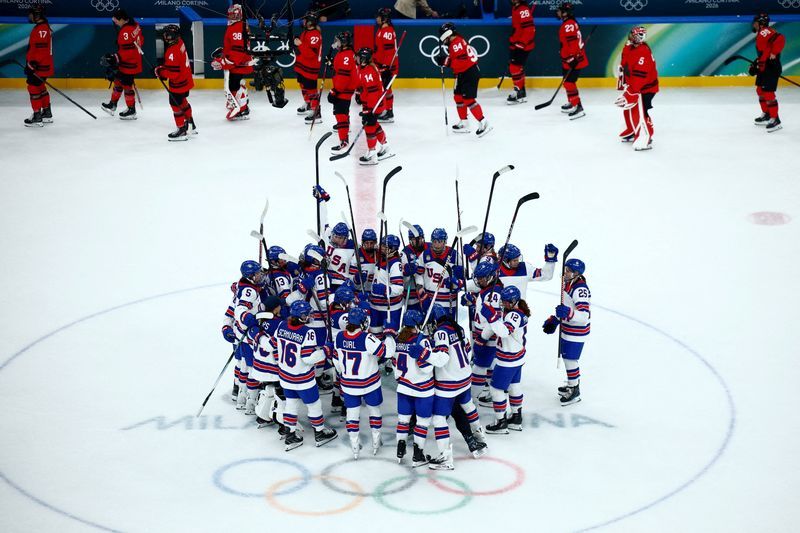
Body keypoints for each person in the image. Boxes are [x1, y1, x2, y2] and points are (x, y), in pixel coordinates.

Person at [275, 300, 338, 450]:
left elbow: (276, 347)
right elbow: (308, 358)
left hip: (285, 376)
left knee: (291, 404)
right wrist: (325, 351)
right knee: (314, 404)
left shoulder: (281, 325)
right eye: (307, 313)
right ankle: (320, 431)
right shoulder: (307, 332)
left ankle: (290, 434)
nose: (310, 315)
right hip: (302, 379)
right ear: (302, 316)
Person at [429, 304, 482, 470]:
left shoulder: (441, 333)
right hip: (464, 377)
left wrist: (426, 354)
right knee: (466, 407)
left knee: (438, 418)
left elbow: (442, 358)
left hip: (448, 383)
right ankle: (479, 439)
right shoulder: (457, 328)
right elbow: (467, 352)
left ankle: (445, 457)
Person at [393, 309, 447, 467]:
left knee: (403, 421)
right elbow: (427, 368)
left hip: (403, 388)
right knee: (422, 423)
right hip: (423, 390)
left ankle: (400, 450)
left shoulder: (398, 339)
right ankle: (418, 454)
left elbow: (395, 364)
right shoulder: (422, 341)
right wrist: (426, 354)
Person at [332, 307, 387, 458]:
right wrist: (388, 336)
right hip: (370, 383)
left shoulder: (339, 337)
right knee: (374, 411)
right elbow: (384, 353)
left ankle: (354, 444)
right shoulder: (367, 338)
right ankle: (376, 441)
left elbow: (336, 361)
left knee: (352, 414)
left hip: (349, 384)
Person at [543, 258, 590, 405]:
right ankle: (572, 383)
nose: (566, 272)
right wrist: (555, 319)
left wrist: (568, 313)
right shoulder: (567, 283)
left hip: (576, 332)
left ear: (576, 273)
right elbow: (565, 307)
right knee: (567, 358)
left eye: (569, 271)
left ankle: (574, 389)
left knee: (570, 360)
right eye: (566, 269)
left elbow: (584, 316)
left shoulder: (580, 289)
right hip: (567, 329)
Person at [482, 286, 529, 433]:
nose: (503, 303)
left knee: (496, 389)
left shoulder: (514, 315)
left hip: (508, 359)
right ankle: (516, 417)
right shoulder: (511, 311)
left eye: (506, 301)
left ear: (514, 301)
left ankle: (500, 422)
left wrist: (491, 316)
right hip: (517, 357)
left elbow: (503, 331)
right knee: (514, 386)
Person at [435, 22, 491, 137]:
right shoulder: (455, 42)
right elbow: (457, 59)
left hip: (469, 73)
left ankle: (484, 122)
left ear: (448, 34)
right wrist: (446, 61)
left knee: (468, 99)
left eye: (444, 37)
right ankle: (464, 122)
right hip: (462, 73)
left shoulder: (457, 43)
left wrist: (446, 62)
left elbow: (462, 62)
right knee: (458, 97)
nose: (443, 40)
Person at [615, 26, 659, 151]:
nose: (630, 37)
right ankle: (632, 130)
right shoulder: (631, 48)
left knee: (641, 113)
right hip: (634, 86)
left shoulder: (643, 51)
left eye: (633, 35)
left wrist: (631, 91)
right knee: (628, 109)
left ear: (639, 38)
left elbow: (640, 75)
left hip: (645, 88)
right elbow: (625, 63)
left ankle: (646, 136)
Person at [232, 260, 268, 411]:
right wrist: (247, 318)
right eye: (258, 273)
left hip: (242, 332)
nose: (261, 275)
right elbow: (240, 309)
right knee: (252, 368)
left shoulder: (248, 286)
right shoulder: (250, 291)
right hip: (248, 334)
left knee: (244, 366)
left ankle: (241, 397)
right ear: (251, 276)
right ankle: (251, 403)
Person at [210, 3, 253, 121]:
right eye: (230, 15)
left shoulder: (238, 27)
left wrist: (225, 62)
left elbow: (238, 50)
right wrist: (224, 56)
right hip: (238, 62)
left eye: (233, 15)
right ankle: (237, 103)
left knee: (233, 85)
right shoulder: (239, 25)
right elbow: (233, 47)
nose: (230, 17)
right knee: (235, 83)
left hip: (238, 63)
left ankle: (243, 109)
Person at [154, 25, 196, 141]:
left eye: (166, 34)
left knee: (175, 105)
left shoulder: (172, 50)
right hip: (186, 80)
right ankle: (190, 123)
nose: (164, 36)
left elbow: (173, 74)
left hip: (178, 84)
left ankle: (181, 129)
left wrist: (160, 71)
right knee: (183, 102)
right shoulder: (180, 42)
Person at [355, 47, 395, 165]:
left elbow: (373, 92)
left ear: (363, 59)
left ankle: (372, 153)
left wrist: (370, 110)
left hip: (374, 104)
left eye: (358, 57)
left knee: (369, 127)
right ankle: (385, 146)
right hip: (370, 103)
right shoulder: (363, 68)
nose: (356, 58)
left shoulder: (369, 71)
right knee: (374, 124)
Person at [101, 8, 143, 120]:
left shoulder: (125, 32)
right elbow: (141, 41)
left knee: (127, 86)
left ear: (122, 19)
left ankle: (131, 110)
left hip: (130, 64)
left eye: (116, 21)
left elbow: (127, 51)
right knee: (118, 81)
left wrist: (115, 58)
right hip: (133, 61)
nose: (115, 22)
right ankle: (112, 104)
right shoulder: (135, 24)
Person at [414, 228, 462, 317]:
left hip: (449, 302)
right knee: (430, 329)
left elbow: (462, 280)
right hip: (430, 300)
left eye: (440, 241)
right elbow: (418, 274)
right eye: (434, 241)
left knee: (447, 329)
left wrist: (455, 283)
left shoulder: (454, 255)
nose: (437, 245)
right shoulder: (425, 254)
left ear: (445, 242)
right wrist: (420, 288)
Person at [750, 13, 785, 132]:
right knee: (760, 90)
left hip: (771, 67)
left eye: (755, 23)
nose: (753, 25)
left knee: (768, 93)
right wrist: (756, 64)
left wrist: (774, 52)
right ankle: (767, 114)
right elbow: (764, 51)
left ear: (761, 23)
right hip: (765, 67)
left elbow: (780, 38)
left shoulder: (765, 31)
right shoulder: (761, 33)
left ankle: (775, 120)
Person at [328, 31, 360, 153]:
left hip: (343, 90)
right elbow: (341, 71)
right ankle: (344, 137)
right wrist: (332, 65)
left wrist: (335, 91)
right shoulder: (347, 53)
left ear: (344, 43)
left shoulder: (345, 55)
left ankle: (343, 141)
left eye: (339, 41)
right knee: (343, 113)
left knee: (340, 114)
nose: (336, 43)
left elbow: (344, 76)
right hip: (345, 90)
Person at [556, 2, 588, 120]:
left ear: (565, 13)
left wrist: (571, 59)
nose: (558, 12)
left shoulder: (568, 25)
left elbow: (573, 45)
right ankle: (572, 102)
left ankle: (578, 106)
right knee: (567, 82)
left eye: (560, 10)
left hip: (574, 60)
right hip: (570, 59)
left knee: (569, 83)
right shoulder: (569, 23)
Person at [23, 6, 53, 127]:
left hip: (39, 66)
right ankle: (46, 113)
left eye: (31, 14)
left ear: (37, 15)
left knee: (33, 88)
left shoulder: (42, 29)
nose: (29, 17)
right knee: (40, 87)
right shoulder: (42, 27)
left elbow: (41, 50)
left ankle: (37, 117)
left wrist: (32, 64)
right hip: (42, 65)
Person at [294, 12, 323, 124]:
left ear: (310, 22)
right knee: (303, 85)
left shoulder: (315, 35)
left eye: (305, 20)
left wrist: (300, 44)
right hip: (302, 65)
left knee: (311, 89)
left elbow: (311, 53)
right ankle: (308, 103)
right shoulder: (306, 31)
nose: (303, 22)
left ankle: (316, 110)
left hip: (310, 67)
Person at [507, 0, 535, 104]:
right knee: (517, 67)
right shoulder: (515, 8)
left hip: (523, 45)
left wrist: (521, 43)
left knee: (514, 67)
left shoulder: (523, 10)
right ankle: (521, 92)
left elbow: (530, 29)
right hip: (516, 43)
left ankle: (519, 91)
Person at [374, 7, 399, 123]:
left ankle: (388, 112)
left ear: (384, 18)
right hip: (382, 65)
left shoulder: (387, 31)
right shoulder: (381, 29)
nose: (376, 19)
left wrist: (386, 66)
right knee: (384, 89)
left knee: (386, 89)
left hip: (388, 66)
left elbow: (389, 52)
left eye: (378, 16)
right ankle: (386, 111)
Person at [401, 224, 426, 313]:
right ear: (410, 240)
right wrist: (407, 272)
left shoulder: (430, 249)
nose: (418, 242)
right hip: (411, 296)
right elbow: (402, 278)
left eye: (420, 239)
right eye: (415, 240)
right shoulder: (405, 253)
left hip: (428, 294)